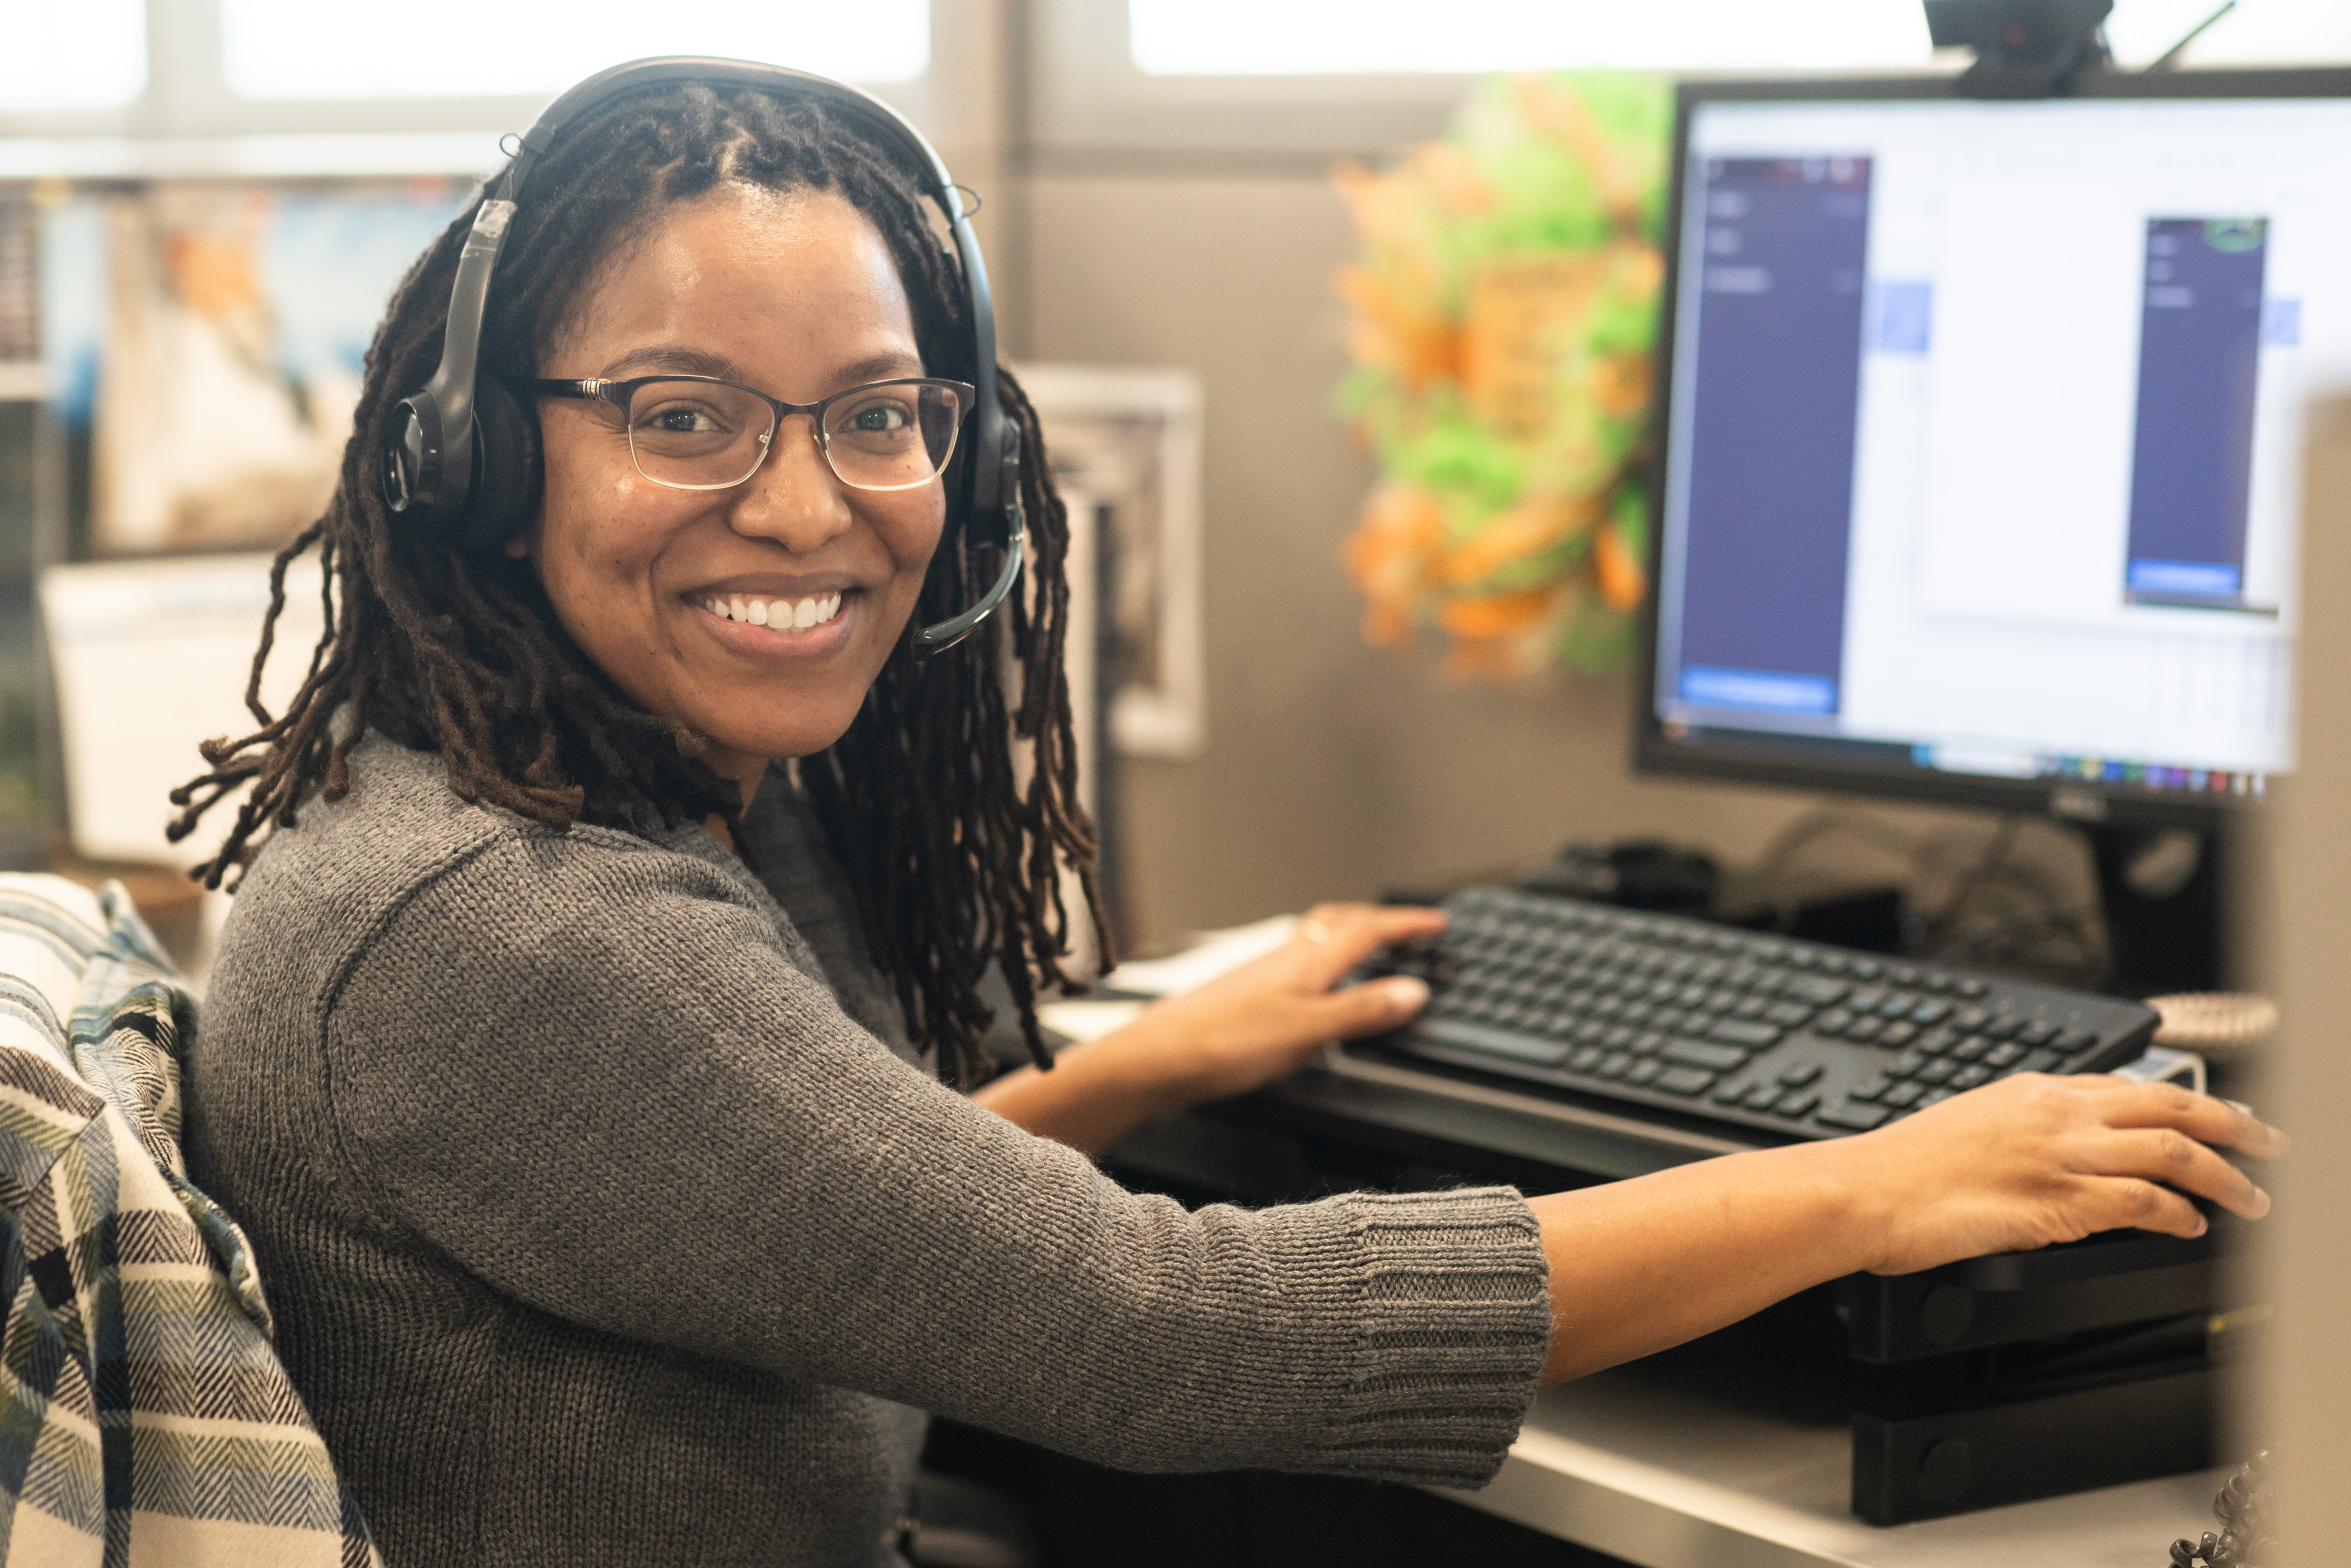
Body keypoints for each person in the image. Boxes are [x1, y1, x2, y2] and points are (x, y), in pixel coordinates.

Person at [175, 69, 2284, 1568]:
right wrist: (1876, 1184)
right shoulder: (513, 926)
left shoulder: (533, 799)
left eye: (881, 416)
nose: (810, 503)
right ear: (469, 454)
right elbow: (1174, 1345)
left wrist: (1157, 1058)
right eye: (681, 416)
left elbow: (780, 1204)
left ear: (970, 459)